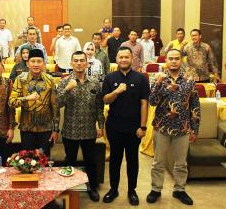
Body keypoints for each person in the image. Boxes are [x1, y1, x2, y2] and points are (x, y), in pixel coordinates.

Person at [146, 49, 200, 206]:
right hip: (162, 126)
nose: (174, 61)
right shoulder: (158, 78)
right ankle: (156, 189)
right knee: (158, 162)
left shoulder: (190, 79)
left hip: (183, 127)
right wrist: (157, 84)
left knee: (181, 163)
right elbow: (152, 102)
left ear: (181, 60)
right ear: (166, 60)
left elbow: (195, 104)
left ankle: (179, 190)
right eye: (171, 58)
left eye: (177, 58)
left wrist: (194, 128)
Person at [102, 46, 149, 206]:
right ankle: (113, 189)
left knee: (132, 160)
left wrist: (143, 127)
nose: (123, 60)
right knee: (115, 159)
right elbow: (105, 100)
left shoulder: (141, 78)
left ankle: (132, 190)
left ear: (132, 59)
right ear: (116, 59)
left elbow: (144, 103)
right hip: (114, 126)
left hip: (134, 128)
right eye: (120, 57)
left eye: (126, 57)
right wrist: (116, 91)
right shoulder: (109, 78)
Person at [57, 51, 105, 202]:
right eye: (76, 61)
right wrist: (67, 89)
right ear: (71, 63)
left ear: (87, 63)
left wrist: (101, 125)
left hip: (89, 130)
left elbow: (99, 107)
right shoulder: (65, 82)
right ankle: (68, 188)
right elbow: (56, 104)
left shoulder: (95, 83)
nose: (79, 63)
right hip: (70, 130)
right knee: (69, 160)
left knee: (90, 161)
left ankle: (92, 187)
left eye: (81, 60)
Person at [9, 49, 59, 157]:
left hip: (45, 129)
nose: (36, 64)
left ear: (43, 63)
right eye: (33, 61)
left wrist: (55, 130)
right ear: (27, 63)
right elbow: (11, 102)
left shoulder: (50, 80)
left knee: (43, 162)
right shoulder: (20, 79)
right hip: (27, 128)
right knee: (27, 162)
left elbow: (55, 106)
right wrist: (27, 98)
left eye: (39, 61)